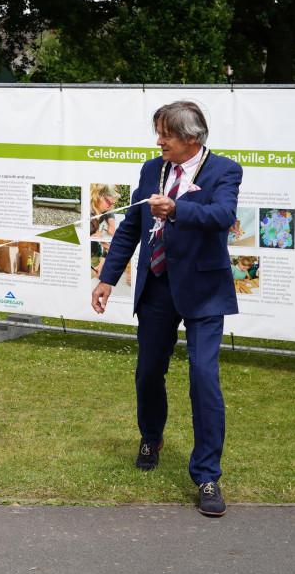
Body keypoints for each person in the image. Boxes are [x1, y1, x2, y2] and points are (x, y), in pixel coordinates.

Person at [91, 101, 242, 517]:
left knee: (203, 378)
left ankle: (207, 475)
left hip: (204, 290)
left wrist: (178, 209)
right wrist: (107, 277)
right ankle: (150, 436)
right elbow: (132, 226)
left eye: (166, 135)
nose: (159, 141)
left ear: (191, 138)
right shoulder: (150, 169)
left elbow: (223, 215)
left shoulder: (224, 170)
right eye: (158, 133)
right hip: (157, 286)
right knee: (147, 372)